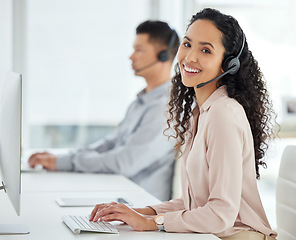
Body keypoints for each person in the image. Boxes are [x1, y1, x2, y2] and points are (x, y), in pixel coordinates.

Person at [88, 8, 278, 240]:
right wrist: (139, 212)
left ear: (228, 64)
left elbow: (221, 214)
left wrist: (150, 223)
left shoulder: (223, 114)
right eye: (187, 44)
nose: (190, 57)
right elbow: (194, 203)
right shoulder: (201, 113)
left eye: (206, 50)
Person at [28, 20, 180, 201]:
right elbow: (109, 145)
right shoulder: (141, 101)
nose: (131, 57)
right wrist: (63, 158)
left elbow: (124, 162)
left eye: (139, 50)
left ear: (162, 54)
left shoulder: (165, 108)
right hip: (116, 193)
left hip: (138, 205)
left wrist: (63, 163)